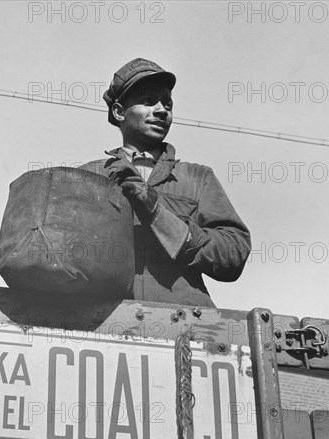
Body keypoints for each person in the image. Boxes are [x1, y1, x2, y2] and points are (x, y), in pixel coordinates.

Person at [80, 58, 251, 307]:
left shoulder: (197, 178)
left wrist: (159, 215)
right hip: (104, 326)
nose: (161, 110)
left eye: (167, 104)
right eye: (148, 101)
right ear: (119, 112)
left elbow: (233, 254)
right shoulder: (89, 177)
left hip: (186, 326)